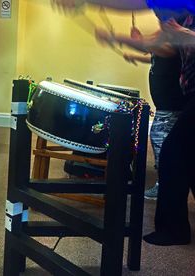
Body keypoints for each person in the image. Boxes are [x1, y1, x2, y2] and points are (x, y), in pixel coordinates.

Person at [51, 0, 195, 246]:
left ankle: (174, 231)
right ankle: (174, 229)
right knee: (183, 159)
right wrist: (116, 38)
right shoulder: (180, 17)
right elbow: (165, 46)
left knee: (175, 156)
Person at [95, 26, 186, 200]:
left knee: (161, 142)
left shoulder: (176, 31)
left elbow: (167, 50)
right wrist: (136, 53)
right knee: (164, 143)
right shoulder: (164, 31)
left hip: (172, 104)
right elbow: (152, 49)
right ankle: (168, 185)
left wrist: (117, 37)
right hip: (166, 105)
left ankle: (165, 187)